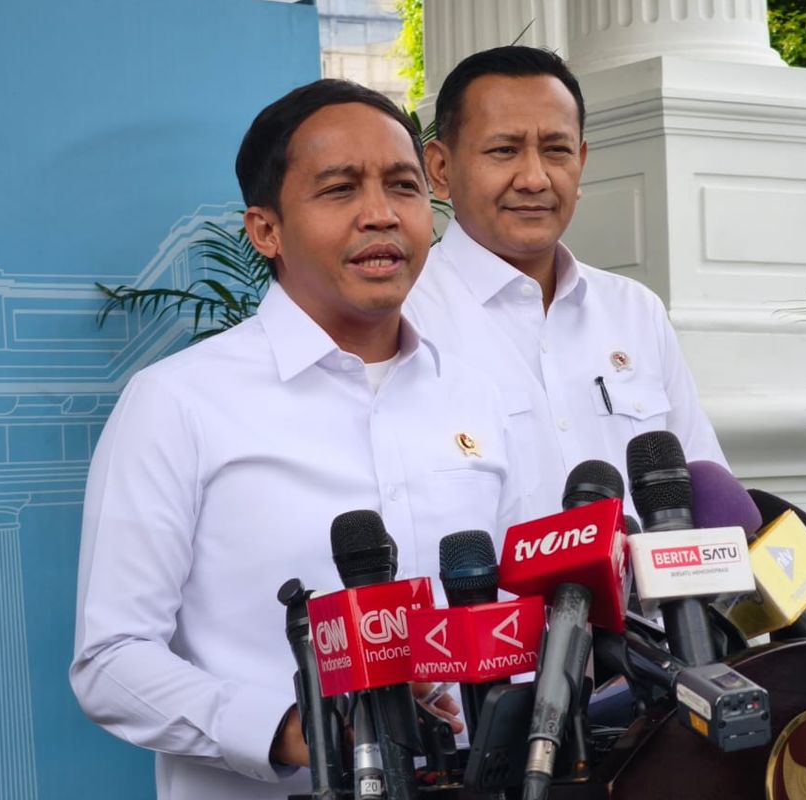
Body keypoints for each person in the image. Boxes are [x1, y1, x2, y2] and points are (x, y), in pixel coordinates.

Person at [70, 79, 521, 800]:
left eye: (403, 187)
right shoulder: (177, 403)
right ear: (266, 231)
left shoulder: (475, 395)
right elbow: (111, 660)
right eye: (340, 190)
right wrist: (292, 729)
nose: (381, 214)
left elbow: (512, 608)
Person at [406, 46, 728, 520]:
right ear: (439, 169)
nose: (535, 179)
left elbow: (708, 488)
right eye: (504, 150)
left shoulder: (635, 311)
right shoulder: (402, 320)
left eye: (556, 150)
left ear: (581, 161)